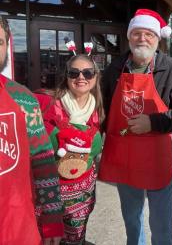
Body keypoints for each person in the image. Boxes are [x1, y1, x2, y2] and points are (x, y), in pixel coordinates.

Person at [98, 8, 172, 245]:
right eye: (137, 33)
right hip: (124, 157)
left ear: (157, 39)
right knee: (132, 221)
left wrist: (152, 122)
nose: (142, 39)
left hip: (159, 159)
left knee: (161, 224)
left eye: (148, 34)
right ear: (129, 37)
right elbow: (101, 108)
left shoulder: (170, 68)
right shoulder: (115, 68)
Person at [0, 17, 64, 244]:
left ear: (7, 46)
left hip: (18, 227)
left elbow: (43, 160)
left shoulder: (24, 99)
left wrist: (52, 217)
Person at [35, 54, 104, 245]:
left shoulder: (97, 110)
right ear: (66, 76)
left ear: (95, 77)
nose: (81, 77)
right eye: (74, 73)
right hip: (49, 198)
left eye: (88, 73)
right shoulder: (45, 102)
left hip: (82, 196)